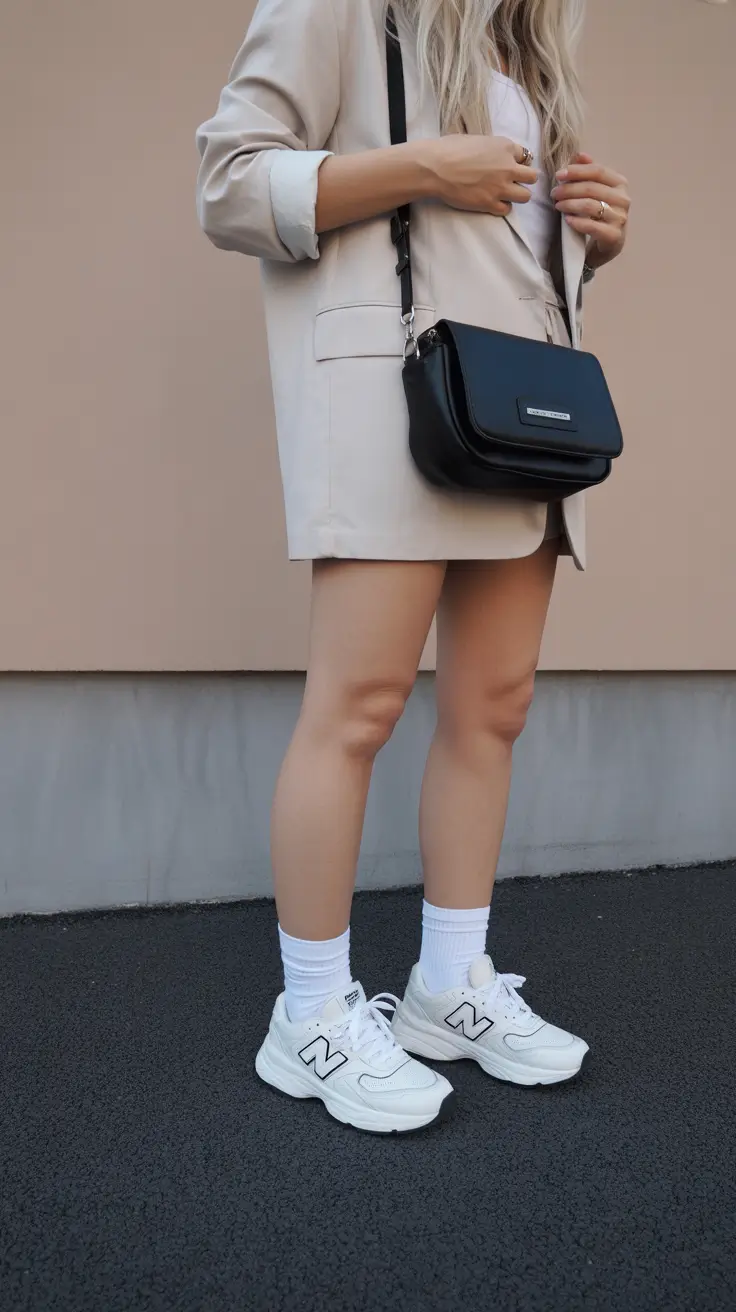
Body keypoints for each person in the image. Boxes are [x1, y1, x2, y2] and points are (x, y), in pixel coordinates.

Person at [196, 0, 630, 1134]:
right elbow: (231, 185)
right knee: (360, 706)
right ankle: (312, 1010)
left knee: (494, 705)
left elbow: (503, 255)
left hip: (520, 405)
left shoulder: (525, 47)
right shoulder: (340, 7)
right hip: (397, 400)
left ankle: (448, 985)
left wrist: (590, 232)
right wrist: (417, 165)